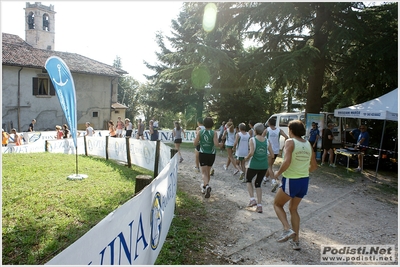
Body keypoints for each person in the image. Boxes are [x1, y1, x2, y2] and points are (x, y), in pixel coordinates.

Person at [273, 120, 318, 250]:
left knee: (277, 204)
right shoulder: (308, 144)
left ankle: (287, 229)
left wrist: (277, 173)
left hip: (291, 180)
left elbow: (286, 162)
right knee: (293, 209)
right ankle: (296, 240)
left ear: (291, 130)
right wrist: (303, 171)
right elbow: (314, 166)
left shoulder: (290, 142)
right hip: (304, 181)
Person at [244, 123, 274, 213]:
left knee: (248, 180)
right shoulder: (267, 141)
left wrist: (246, 158)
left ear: (255, 131)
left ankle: (252, 199)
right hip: (264, 166)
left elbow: (252, 152)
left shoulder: (252, 139)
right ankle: (259, 205)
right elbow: (272, 155)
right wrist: (265, 156)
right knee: (258, 184)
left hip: (254, 164)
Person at [193, 117, 221, 198]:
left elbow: (195, 143)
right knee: (208, 172)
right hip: (211, 154)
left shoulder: (200, 132)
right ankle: (205, 187)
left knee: (203, 173)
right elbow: (216, 144)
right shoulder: (214, 132)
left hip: (203, 153)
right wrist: (221, 144)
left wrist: (199, 141)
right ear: (212, 124)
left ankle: (207, 186)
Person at [262, 118, 288, 183]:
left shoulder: (267, 130)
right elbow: (286, 137)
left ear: (269, 123)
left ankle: (274, 180)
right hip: (276, 150)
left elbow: (262, 138)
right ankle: (265, 177)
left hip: (269, 150)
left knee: (269, 166)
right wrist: (284, 146)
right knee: (270, 164)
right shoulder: (279, 130)